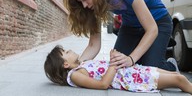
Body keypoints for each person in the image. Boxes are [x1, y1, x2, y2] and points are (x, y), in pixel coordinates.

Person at [63, 0, 177, 71]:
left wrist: (131, 59)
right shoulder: (95, 5)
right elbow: (94, 44)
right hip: (131, 26)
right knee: (117, 66)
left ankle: (170, 65)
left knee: (150, 69)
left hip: (158, 23)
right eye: (80, 2)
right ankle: (146, 54)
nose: (84, 5)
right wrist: (77, 67)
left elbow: (152, 29)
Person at [44, 45, 192, 94]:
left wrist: (115, 59)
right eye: (66, 53)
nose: (69, 50)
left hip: (133, 71)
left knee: (174, 74)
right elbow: (103, 84)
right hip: (133, 79)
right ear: (65, 64)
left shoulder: (82, 64)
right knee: (179, 79)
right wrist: (114, 62)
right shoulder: (75, 75)